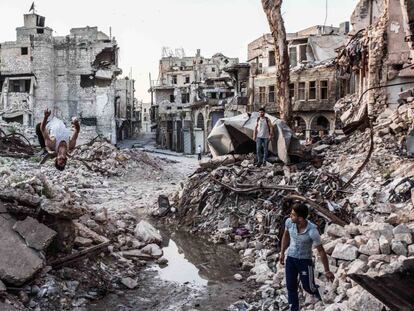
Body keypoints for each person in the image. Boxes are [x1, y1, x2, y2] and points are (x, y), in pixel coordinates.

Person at [279, 202, 335, 311]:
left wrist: (327, 270)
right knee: (291, 286)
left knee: (309, 287)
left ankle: (324, 294)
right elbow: (285, 235)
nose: (290, 216)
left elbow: (321, 251)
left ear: (300, 218)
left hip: (305, 261)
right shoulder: (289, 222)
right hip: (290, 259)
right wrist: (282, 252)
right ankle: (294, 308)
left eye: (293, 215)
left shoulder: (312, 231)